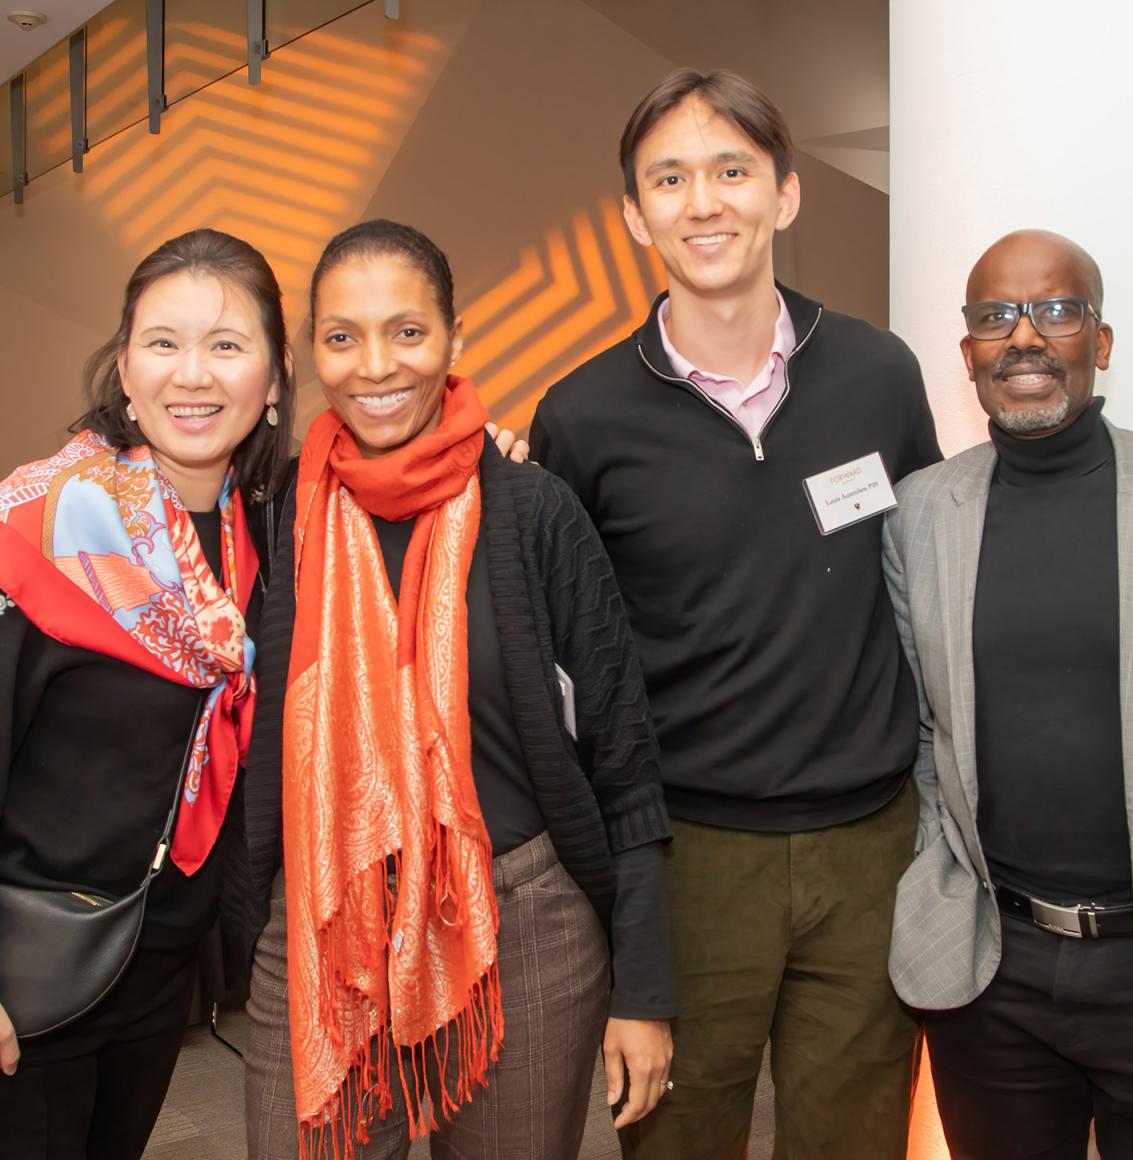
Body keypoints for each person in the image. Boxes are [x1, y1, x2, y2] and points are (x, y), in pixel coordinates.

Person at [528, 68, 942, 1160]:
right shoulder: (581, 416)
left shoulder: (877, 373)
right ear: (631, 216)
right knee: (676, 1137)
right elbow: (577, 664)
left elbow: (923, 582)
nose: (702, 202)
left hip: (871, 851)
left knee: (854, 1137)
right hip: (689, 854)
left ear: (784, 194)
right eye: (668, 178)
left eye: (729, 170)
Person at [241, 219, 675, 1160]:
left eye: (407, 331)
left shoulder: (532, 510)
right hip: (323, 925)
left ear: (455, 339)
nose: (374, 365)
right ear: (310, 350)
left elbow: (625, 763)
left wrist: (643, 991)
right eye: (341, 336)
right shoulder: (277, 513)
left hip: (518, 929)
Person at [0, 228, 294, 1159]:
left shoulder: (270, 533)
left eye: (227, 344)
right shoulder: (40, 527)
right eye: (163, 342)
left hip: (165, 960)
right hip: (28, 966)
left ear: (275, 377)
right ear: (124, 369)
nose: (192, 374)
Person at [885, 229, 1133, 1158]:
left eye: (1057, 310)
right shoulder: (922, 512)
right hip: (994, 971)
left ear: (1102, 341)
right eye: (995, 317)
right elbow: (921, 725)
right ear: (968, 357)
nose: (1025, 338)